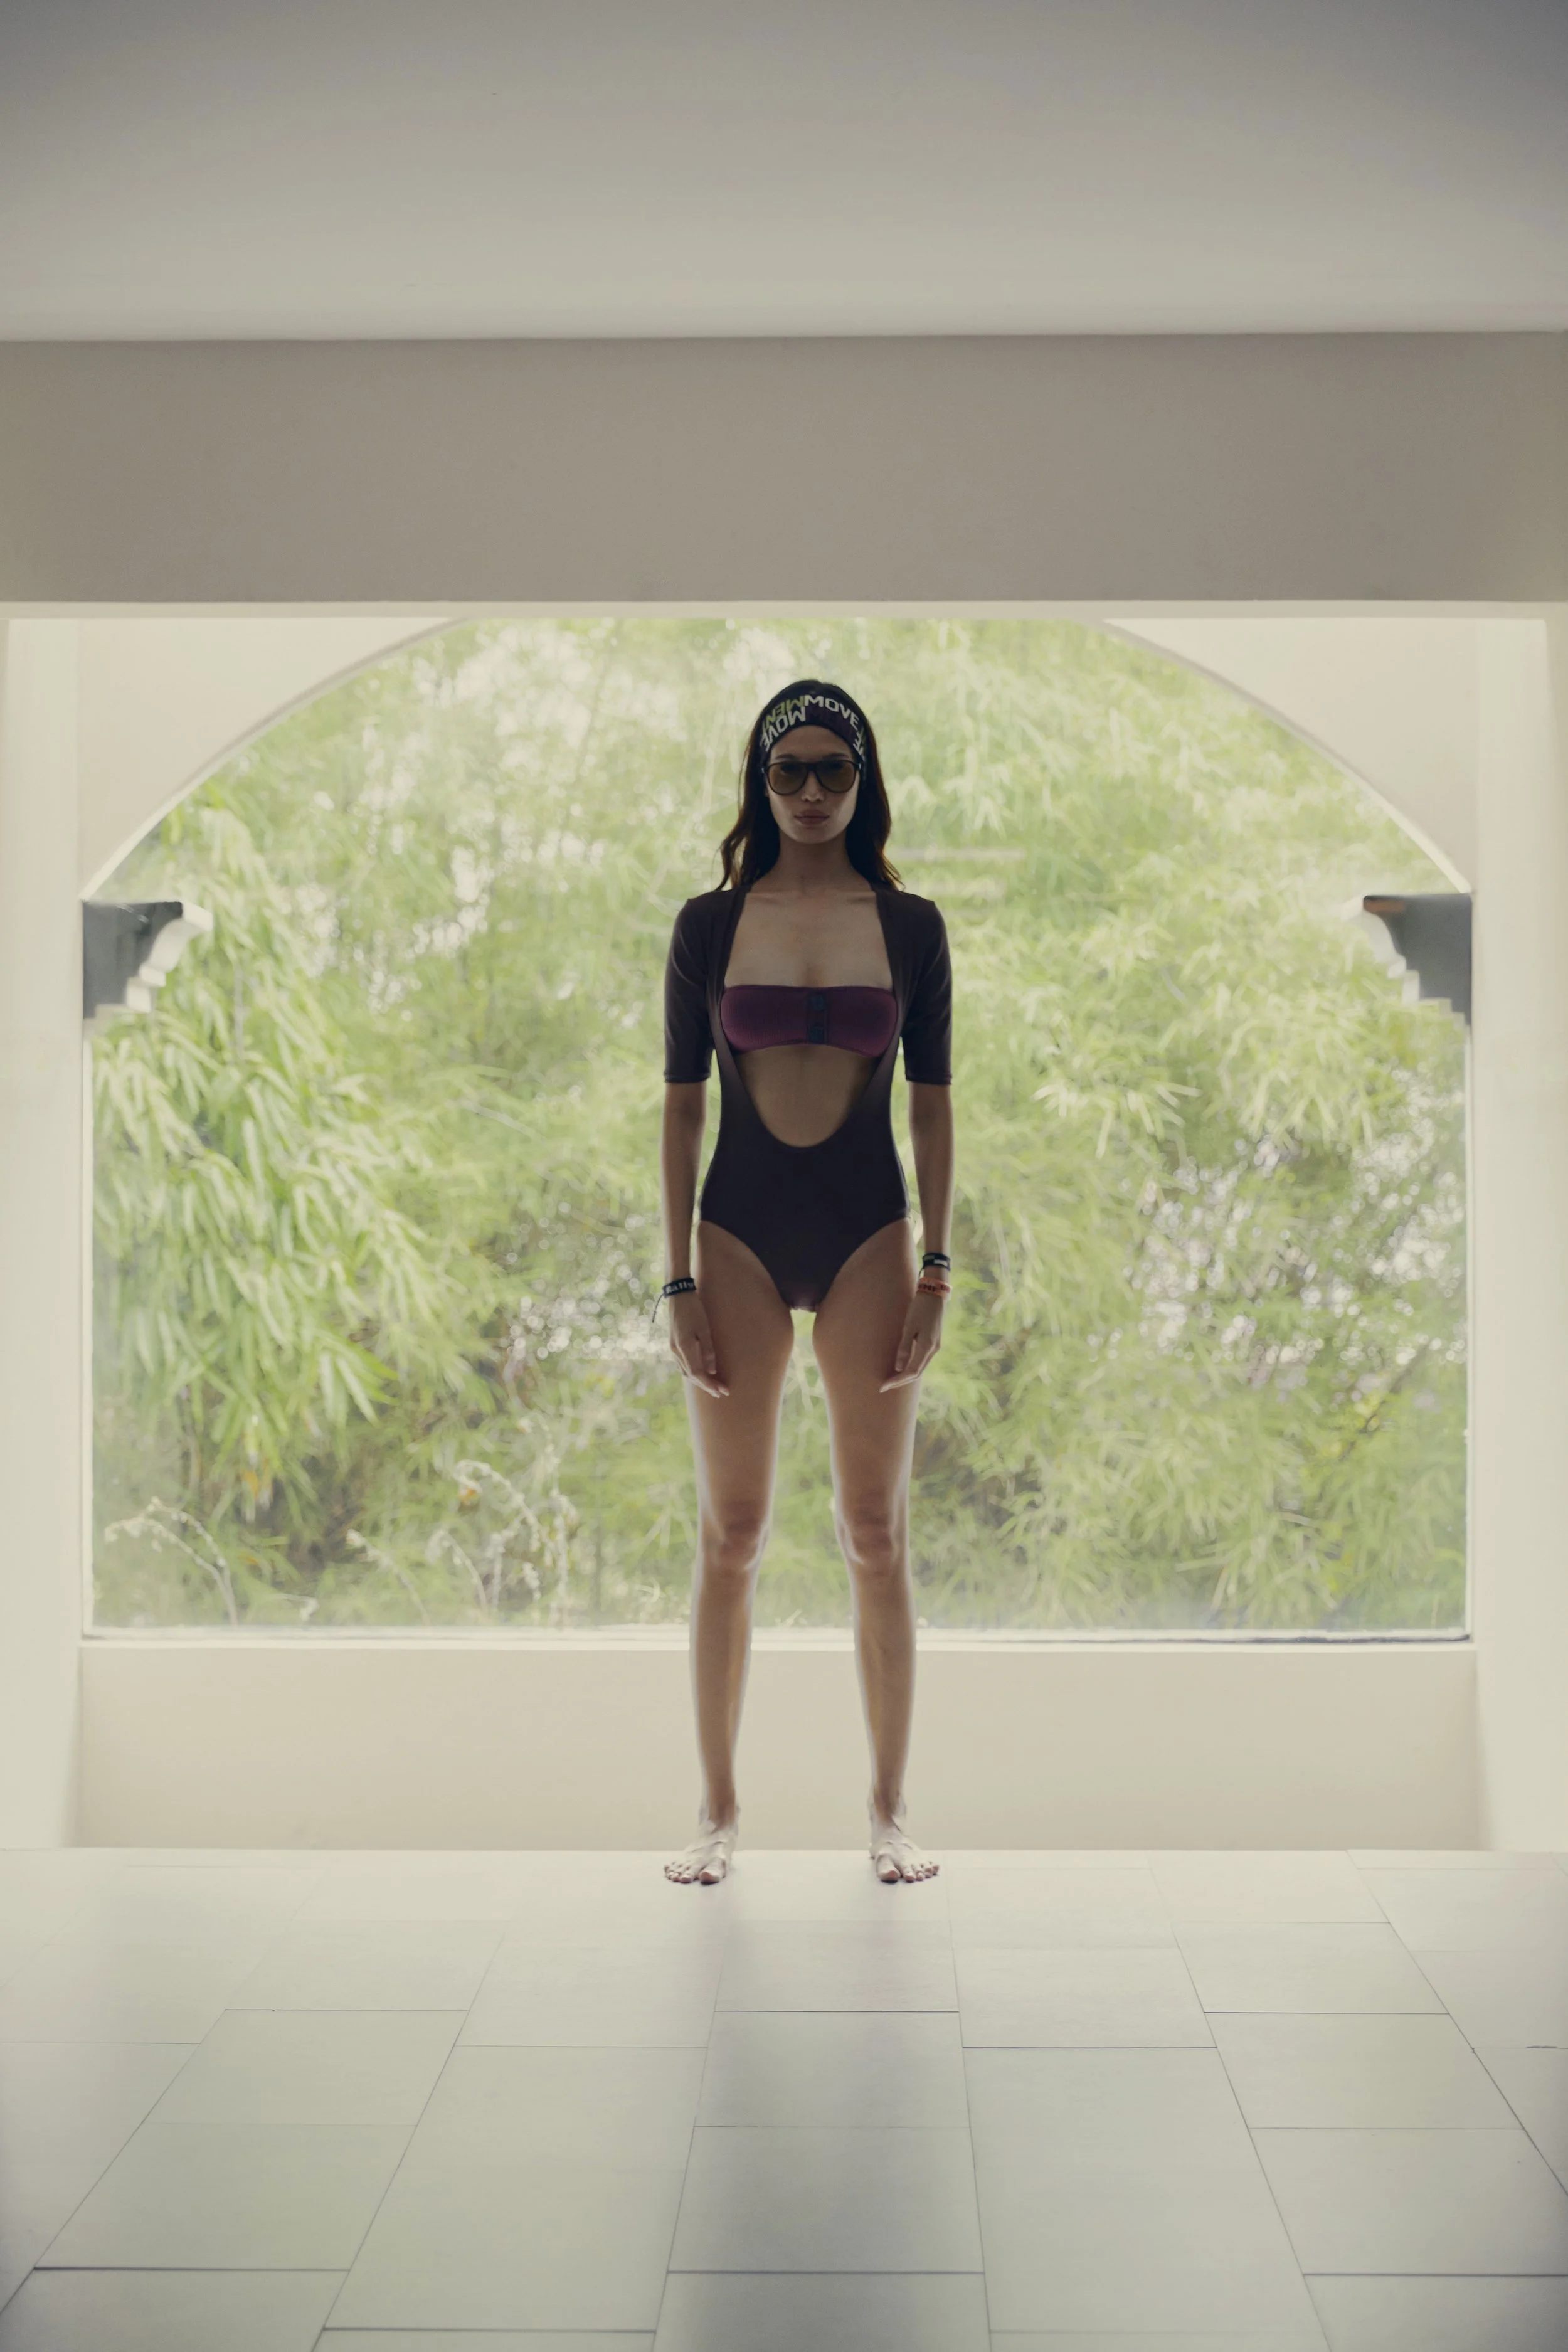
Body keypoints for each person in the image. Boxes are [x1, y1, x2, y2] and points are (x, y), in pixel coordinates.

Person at [659, 680, 955, 1887]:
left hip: (868, 1232)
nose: (815, 791)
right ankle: (716, 1814)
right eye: (792, 771)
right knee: (731, 1534)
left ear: (863, 780)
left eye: (837, 770)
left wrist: (937, 1263)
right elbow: (682, 1107)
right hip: (736, 1230)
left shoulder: (913, 925)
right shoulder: (709, 925)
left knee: (875, 1532)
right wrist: (676, 1278)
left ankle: (889, 1813)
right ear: (762, 781)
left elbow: (932, 1105)